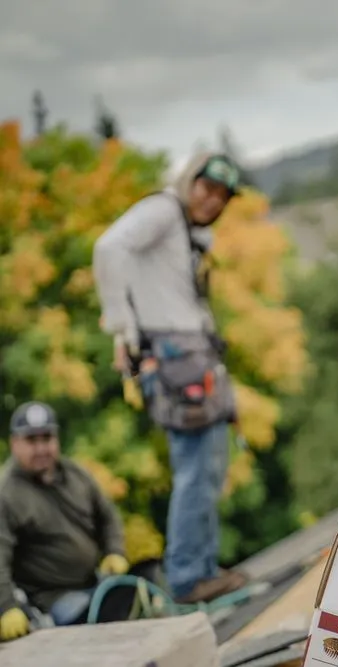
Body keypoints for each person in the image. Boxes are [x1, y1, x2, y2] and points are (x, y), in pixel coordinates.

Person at [92, 152, 247, 605]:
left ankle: (200, 568)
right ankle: (186, 577)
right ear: (189, 179)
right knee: (197, 467)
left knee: (209, 463)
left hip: (192, 355)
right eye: (206, 187)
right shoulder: (162, 210)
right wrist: (122, 325)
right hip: (175, 356)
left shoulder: (188, 231)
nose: (211, 200)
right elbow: (108, 247)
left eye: (221, 196)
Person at [0, 401, 130, 640]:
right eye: (31, 440)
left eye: (46, 438)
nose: (41, 448)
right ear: (14, 444)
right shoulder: (7, 493)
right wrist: (6, 607)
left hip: (96, 582)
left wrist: (115, 551)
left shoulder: (76, 474)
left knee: (144, 588)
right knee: (99, 620)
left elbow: (108, 517)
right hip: (52, 600)